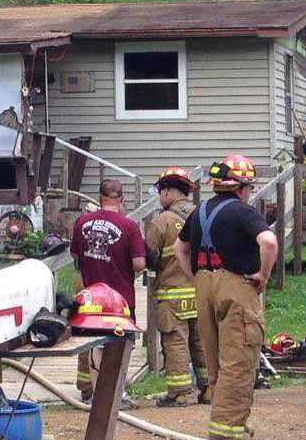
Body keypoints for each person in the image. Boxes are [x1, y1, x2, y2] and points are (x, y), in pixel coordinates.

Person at [174, 154, 277, 440]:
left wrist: (197, 278)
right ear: (242, 187)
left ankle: (222, 420)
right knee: (239, 356)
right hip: (235, 285)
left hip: (204, 285)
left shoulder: (198, 212)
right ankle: (228, 429)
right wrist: (263, 274)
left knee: (216, 355)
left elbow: (179, 249)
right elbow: (269, 242)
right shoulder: (243, 213)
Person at [70, 178, 147, 407]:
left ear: (99, 197)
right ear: (121, 198)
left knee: (96, 344)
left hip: (92, 297)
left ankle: (99, 395)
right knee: (122, 346)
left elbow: (75, 254)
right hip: (120, 298)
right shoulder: (129, 226)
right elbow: (139, 264)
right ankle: (117, 394)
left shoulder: (83, 222)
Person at [145, 167, 207, 407]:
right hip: (202, 291)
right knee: (202, 342)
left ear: (168, 191)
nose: (160, 196)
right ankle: (209, 388)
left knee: (176, 341)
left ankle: (179, 392)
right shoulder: (202, 214)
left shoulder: (162, 221)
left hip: (172, 295)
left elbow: (149, 257)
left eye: (161, 191)